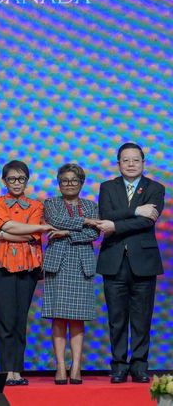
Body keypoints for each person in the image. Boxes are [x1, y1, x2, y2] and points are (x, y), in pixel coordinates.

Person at [94, 142, 165, 384]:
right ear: (119, 164)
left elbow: (148, 221)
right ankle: (119, 366)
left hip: (143, 261)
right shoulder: (107, 187)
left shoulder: (156, 188)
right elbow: (105, 215)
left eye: (136, 160)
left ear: (143, 163)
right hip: (113, 259)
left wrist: (116, 225)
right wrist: (136, 211)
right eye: (126, 160)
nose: (131, 164)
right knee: (116, 317)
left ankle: (139, 366)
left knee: (142, 317)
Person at [0, 160, 51, 386]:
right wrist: (10, 232)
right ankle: (5, 372)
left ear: (27, 181)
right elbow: (7, 226)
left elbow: (29, 235)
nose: (16, 183)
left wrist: (3, 234)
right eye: (12, 179)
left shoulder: (35, 205)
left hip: (28, 264)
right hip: (0, 264)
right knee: (5, 319)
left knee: (19, 319)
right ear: (4, 181)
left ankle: (17, 371)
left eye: (21, 178)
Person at [42, 163, 99, 385]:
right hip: (58, 263)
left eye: (74, 180)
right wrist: (83, 222)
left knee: (77, 318)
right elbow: (56, 221)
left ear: (81, 183)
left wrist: (67, 233)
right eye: (65, 180)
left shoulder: (91, 205)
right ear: (59, 183)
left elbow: (93, 234)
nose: (69, 184)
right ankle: (60, 367)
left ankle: (75, 367)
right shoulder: (51, 203)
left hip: (82, 264)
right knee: (59, 317)